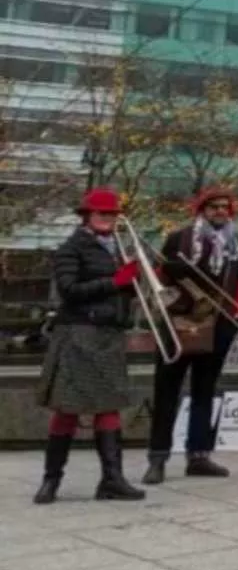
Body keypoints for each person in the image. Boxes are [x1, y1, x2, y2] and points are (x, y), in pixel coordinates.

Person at [34, 187, 145, 504]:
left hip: (108, 333)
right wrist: (116, 282)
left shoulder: (118, 248)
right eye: (102, 213)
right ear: (87, 216)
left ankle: (112, 479)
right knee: (67, 408)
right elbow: (69, 290)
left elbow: (121, 290)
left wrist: (137, 282)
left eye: (112, 214)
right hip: (79, 332)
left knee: (109, 407)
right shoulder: (71, 248)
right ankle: (51, 481)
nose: (108, 219)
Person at [143, 188, 238, 485]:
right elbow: (159, 279)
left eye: (225, 207)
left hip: (218, 323)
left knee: (205, 390)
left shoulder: (237, 243)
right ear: (202, 210)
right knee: (166, 391)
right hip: (179, 322)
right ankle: (158, 457)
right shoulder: (179, 238)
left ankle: (199, 455)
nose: (220, 211)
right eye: (214, 206)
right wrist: (171, 271)